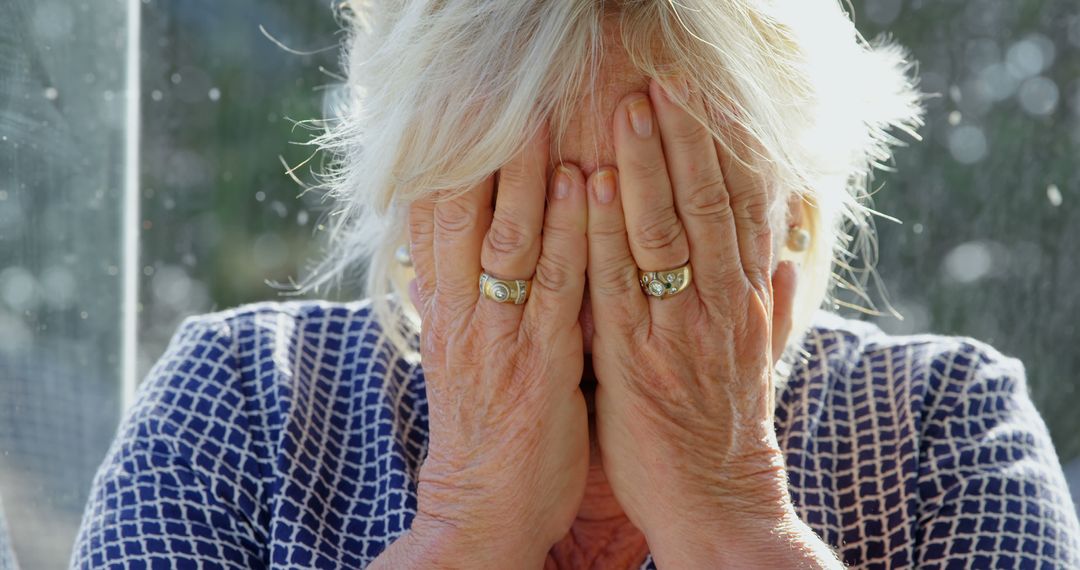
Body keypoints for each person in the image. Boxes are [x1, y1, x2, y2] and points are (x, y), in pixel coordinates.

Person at [72, 1, 1080, 568]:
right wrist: (469, 525)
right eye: (522, 217)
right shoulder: (243, 403)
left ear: (791, 223)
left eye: (668, 219)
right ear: (417, 217)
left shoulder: (946, 427)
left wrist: (731, 517)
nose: (587, 297)